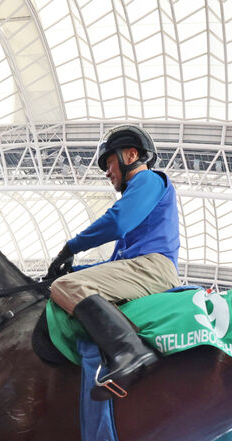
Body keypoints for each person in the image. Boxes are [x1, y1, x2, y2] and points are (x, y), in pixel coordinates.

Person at [46, 124, 181, 399]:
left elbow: (118, 221)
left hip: (153, 269)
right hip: (141, 269)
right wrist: (75, 269)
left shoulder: (149, 179)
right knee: (66, 282)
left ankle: (129, 353)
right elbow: (113, 263)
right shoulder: (141, 206)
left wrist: (70, 248)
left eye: (108, 164)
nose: (107, 173)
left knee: (64, 286)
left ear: (131, 156)